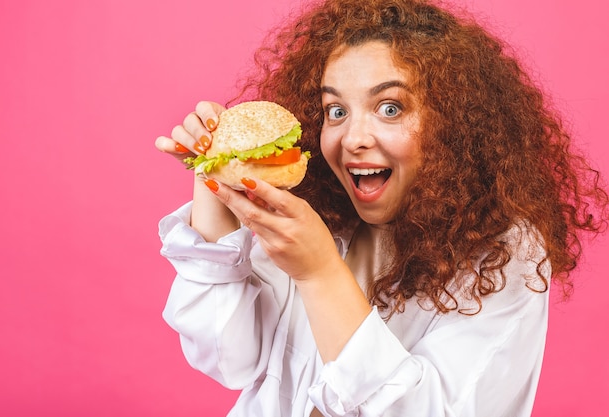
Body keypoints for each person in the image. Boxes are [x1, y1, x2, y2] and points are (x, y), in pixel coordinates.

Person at [154, 0, 608, 415]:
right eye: (336, 111)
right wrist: (212, 181)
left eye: (389, 108)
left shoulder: (505, 252)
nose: (352, 139)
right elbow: (227, 358)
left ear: (452, 121)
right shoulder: (321, 215)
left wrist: (320, 274)